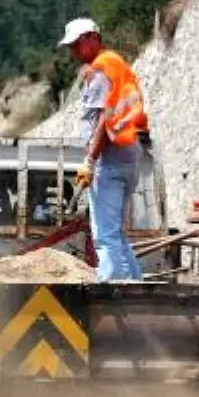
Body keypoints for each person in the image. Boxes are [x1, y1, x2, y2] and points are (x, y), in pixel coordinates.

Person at [58, 17, 151, 281]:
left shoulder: (100, 71)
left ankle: (112, 292)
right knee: (117, 233)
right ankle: (135, 285)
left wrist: (90, 160)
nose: (73, 51)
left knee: (105, 235)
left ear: (92, 38)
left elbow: (103, 119)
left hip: (109, 161)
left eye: (76, 44)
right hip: (127, 155)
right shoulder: (115, 64)